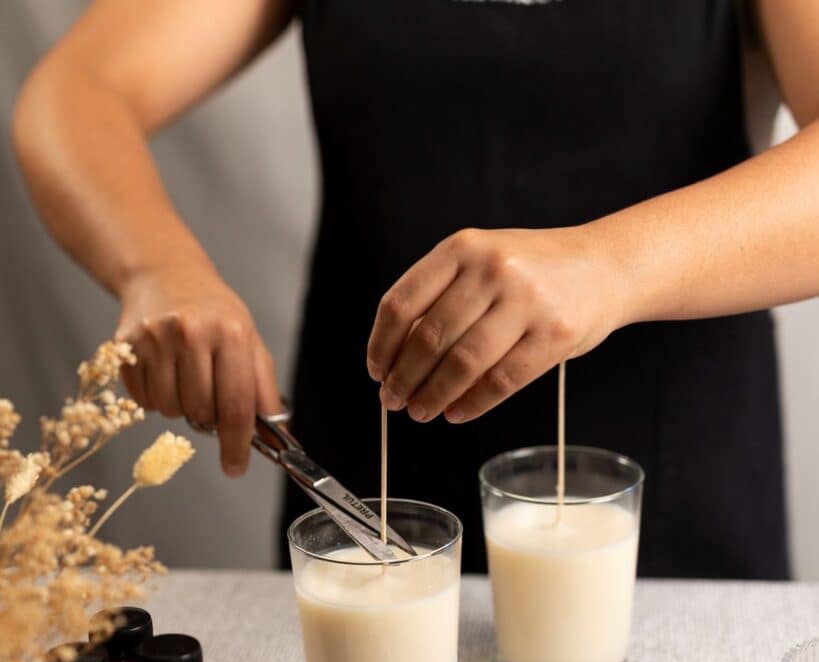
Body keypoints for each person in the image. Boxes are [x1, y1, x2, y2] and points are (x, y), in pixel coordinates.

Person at [13, 1, 819, 576]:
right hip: (364, 500)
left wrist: (610, 265)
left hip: (674, 517)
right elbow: (76, 92)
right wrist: (158, 268)